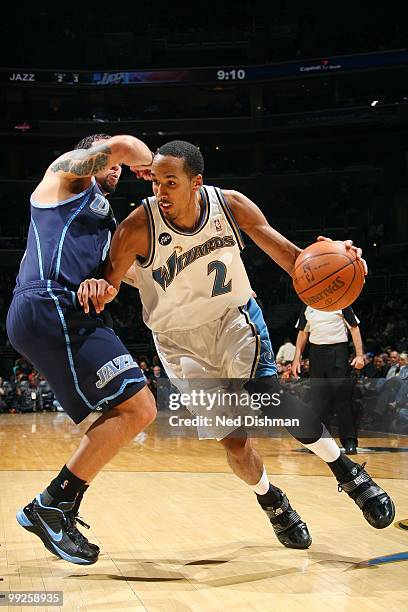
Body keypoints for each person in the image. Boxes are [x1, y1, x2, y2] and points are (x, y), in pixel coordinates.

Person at [78, 140, 395, 548]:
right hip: (178, 345)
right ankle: (271, 499)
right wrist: (96, 285)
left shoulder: (230, 206)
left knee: (267, 395)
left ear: (197, 182)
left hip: (233, 318)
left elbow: (295, 261)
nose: (160, 192)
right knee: (235, 442)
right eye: (156, 182)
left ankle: (348, 472)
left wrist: (337, 257)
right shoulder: (137, 227)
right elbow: (108, 283)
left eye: (170, 182)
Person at [6, 133, 157, 565]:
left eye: (121, 167)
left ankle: (55, 505)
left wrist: (103, 284)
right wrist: (151, 165)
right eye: (110, 159)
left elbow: (115, 282)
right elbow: (126, 145)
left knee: (126, 414)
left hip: (66, 309)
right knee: (139, 408)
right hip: (47, 300)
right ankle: (52, 505)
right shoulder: (63, 179)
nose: (117, 168)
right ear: (90, 155)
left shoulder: (108, 221)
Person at [291, 305, 364, 455]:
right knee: (318, 399)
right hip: (316, 352)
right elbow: (303, 332)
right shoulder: (307, 304)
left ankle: (349, 440)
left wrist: (360, 355)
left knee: (342, 398)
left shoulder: (342, 302)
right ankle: (323, 442)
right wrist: (296, 358)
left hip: (338, 351)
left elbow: (354, 328)